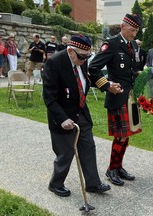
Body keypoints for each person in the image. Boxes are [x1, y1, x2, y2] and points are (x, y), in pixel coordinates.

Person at [43, 34, 111, 197]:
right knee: (66, 152)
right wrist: (62, 119)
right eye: (81, 57)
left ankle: (93, 184)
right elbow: (49, 97)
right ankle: (56, 183)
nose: (84, 60)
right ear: (70, 51)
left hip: (81, 112)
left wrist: (107, 85)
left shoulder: (82, 58)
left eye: (86, 57)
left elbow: (88, 79)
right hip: (62, 115)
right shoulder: (55, 62)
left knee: (88, 147)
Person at [89, 14, 143, 186]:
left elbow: (133, 70)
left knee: (126, 135)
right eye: (132, 30)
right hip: (118, 96)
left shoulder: (133, 45)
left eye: (136, 31)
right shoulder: (111, 44)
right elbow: (93, 68)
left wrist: (143, 76)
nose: (134, 34)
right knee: (120, 136)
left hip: (131, 97)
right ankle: (111, 169)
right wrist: (107, 85)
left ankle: (118, 167)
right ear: (122, 26)